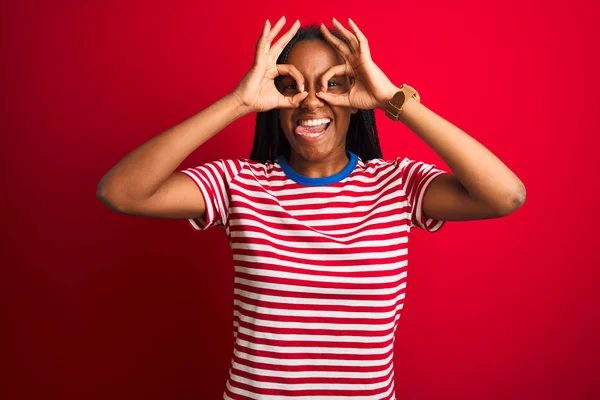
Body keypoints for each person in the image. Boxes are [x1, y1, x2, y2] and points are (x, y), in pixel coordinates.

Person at [97, 16, 526, 400]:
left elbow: (506, 196)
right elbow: (121, 192)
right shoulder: (239, 184)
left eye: (332, 84)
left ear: (356, 94)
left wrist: (391, 98)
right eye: (292, 85)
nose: (311, 101)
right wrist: (239, 102)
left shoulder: (397, 184)